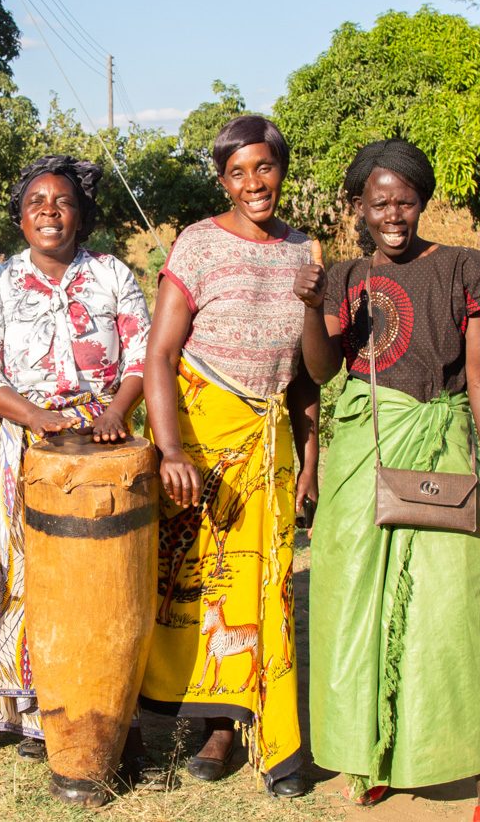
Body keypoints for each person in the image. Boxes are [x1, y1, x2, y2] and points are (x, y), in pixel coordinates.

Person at [297, 139, 480, 819]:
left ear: (422, 201)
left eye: (405, 200)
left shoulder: (464, 269)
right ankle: (372, 756)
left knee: (451, 614)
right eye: (378, 202)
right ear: (358, 207)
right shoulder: (341, 276)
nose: (392, 214)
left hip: (442, 448)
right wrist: (312, 306)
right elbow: (321, 372)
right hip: (363, 455)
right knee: (354, 608)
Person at [141, 115, 314, 799]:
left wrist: (312, 456)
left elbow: (305, 375)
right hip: (198, 434)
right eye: (238, 172)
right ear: (222, 180)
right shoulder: (199, 245)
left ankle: (258, 733)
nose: (253, 183)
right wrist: (172, 450)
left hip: (269, 438)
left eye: (264, 167)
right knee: (186, 584)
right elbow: (158, 353)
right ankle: (185, 715)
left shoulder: (307, 251)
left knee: (263, 587)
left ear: (281, 169)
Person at [0, 155, 151, 771]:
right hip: (26, 445)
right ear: (20, 219)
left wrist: (115, 412)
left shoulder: (112, 274)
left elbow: (141, 357)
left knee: (105, 576)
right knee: (28, 572)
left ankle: (106, 698)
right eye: (37, 202)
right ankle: (33, 706)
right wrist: (35, 418)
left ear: (82, 214)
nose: (50, 210)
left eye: (62, 201)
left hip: (104, 444)